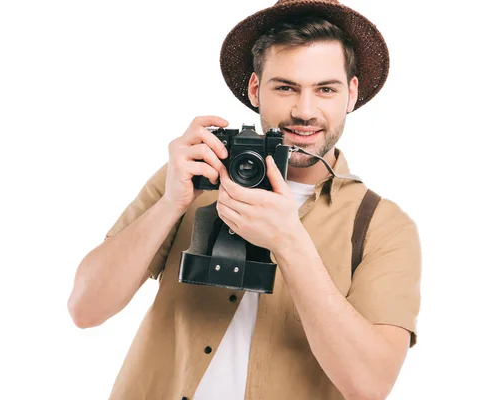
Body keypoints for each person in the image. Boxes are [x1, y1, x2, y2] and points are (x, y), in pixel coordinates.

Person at [67, 0, 422, 399]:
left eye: (325, 89)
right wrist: (171, 204)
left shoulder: (383, 226)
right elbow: (85, 309)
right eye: (285, 87)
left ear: (351, 94)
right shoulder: (195, 174)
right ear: (255, 88)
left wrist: (289, 242)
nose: (305, 111)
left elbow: (370, 386)